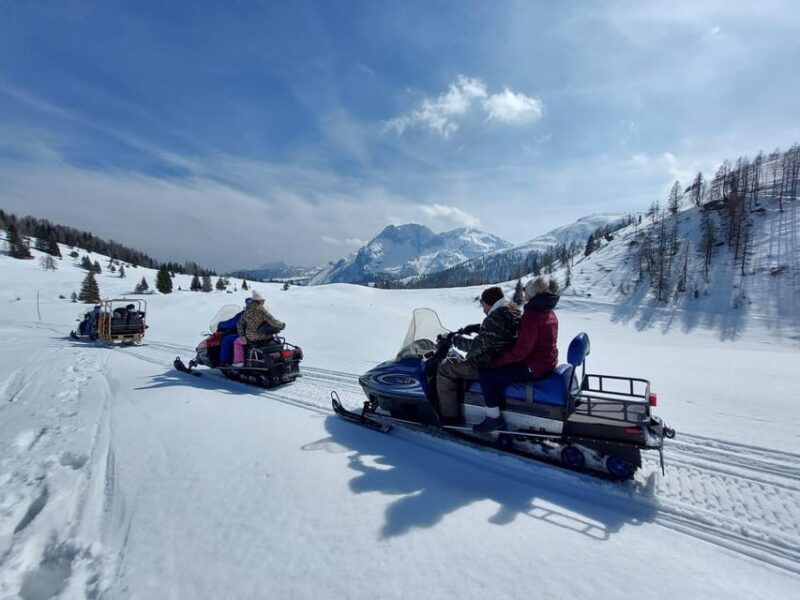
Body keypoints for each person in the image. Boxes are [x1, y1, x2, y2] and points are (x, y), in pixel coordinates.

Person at [474, 277, 560, 432]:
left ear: (532, 294)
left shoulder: (532, 316)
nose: (524, 292)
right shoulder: (549, 312)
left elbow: (520, 352)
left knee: (487, 374)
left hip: (534, 366)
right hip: (547, 362)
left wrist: (497, 362)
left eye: (526, 289)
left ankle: (493, 418)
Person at [436, 286, 520, 425]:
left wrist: (454, 339)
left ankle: (449, 417)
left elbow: (477, 347)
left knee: (445, 367)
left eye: (483, 304)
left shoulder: (495, 318)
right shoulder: (512, 312)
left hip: (486, 363)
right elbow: (497, 334)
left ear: (491, 303)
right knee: (457, 359)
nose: (483, 309)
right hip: (501, 359)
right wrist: (479, 328)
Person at [232, 290, 286, 367]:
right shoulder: (261, 310)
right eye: (262, 301)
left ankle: (239, 362)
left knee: (237, 342)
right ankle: (280, 356)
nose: (264, 302)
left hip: (251, 337)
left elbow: (240, 324)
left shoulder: (247, 310)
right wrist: (282, 325)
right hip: (263, 336)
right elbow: (272, 321)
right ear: (258, 301)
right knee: (275, 339)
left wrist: (242, 336)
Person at [217, 298, 251, 366]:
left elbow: (233, 323)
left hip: (246, 335)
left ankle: (224, 362)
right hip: (258, 335)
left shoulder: (244, 314)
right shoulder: (261, 312)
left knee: (226, 340)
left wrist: (220, 324)